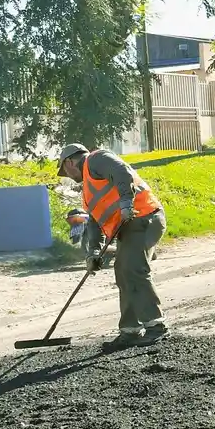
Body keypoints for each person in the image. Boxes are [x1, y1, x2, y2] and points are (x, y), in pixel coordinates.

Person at [56, 143, 168, 345]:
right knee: (122, 271)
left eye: (65, 170)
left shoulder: (96, 159)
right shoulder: (88, 193)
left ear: (70, 161)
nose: (68, 175)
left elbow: (121, 171)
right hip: (129, 227)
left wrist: (127, 202)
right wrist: (94, 253)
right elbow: (95, 224)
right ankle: (130, 330)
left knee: (133, 268)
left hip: (144, 217)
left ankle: (156, 325)